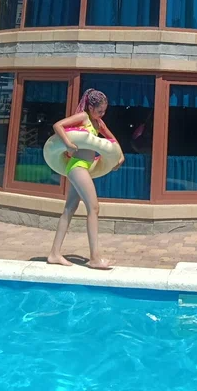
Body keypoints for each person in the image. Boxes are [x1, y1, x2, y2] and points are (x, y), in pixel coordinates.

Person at [47, 89, 124, 270]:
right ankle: (95, 258)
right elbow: (58, 126)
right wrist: (68, 144)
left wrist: (119, 156)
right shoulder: (83, 118)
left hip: (86, 167)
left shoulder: (98, 123)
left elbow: (112, 140)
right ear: (91, 107)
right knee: (94, 207)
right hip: (77, 166)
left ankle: (54, 254)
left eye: (104, 111)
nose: (102, 114)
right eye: (99, 111)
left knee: (69, 209)